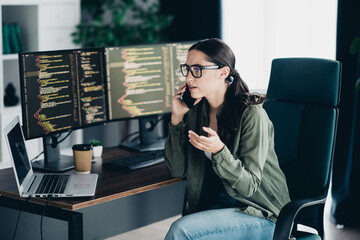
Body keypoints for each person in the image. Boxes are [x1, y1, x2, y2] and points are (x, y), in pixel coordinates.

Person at [164, 38, 290, 240]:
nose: (189, 77)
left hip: (261, 213)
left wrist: (219, 152)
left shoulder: (252, 114)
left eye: (197, 69)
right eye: (186, 69)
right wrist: (177, 119)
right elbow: (176, 169)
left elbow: (250, 186)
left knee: (181, 231)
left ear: (223, 73)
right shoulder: (197, 110)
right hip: (221, 206)